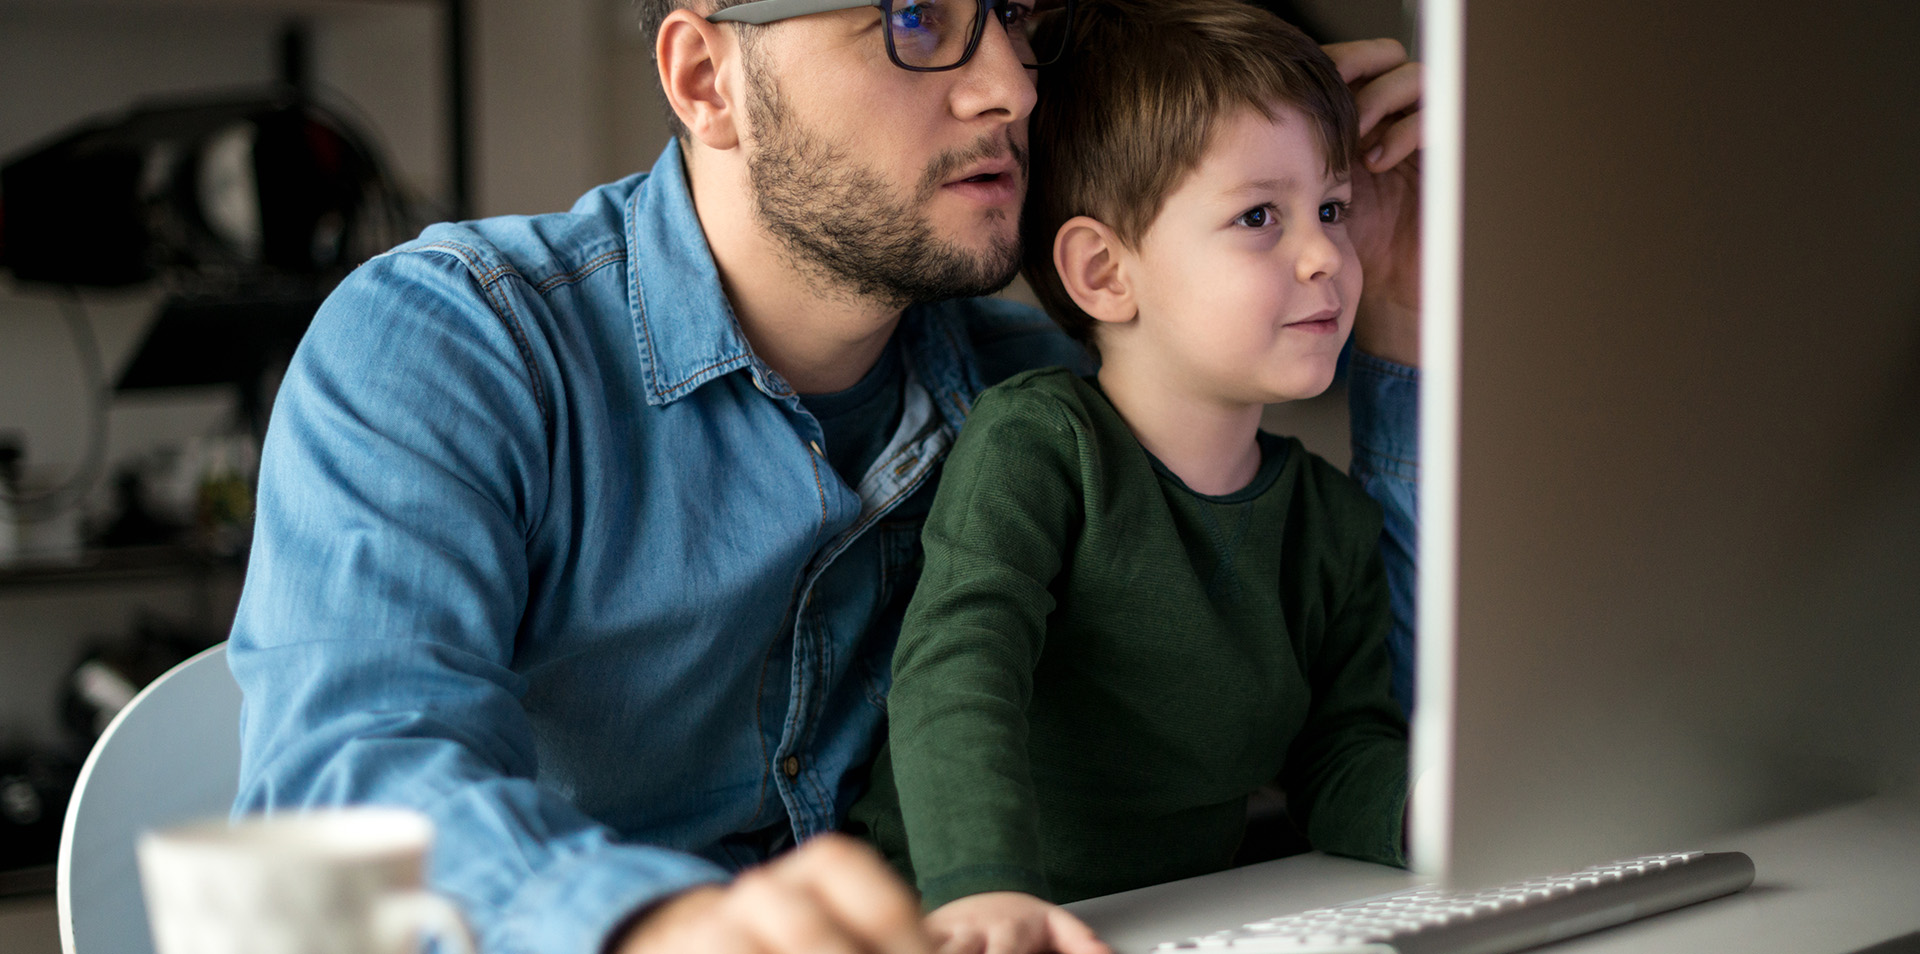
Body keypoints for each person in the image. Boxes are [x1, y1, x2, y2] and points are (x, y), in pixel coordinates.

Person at [223, 0, 1424, 950]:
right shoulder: (460, 346)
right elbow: (336, 814)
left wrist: (1404, 319)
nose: (1009, 84)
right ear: (708, 80)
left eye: (1013, 13)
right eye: (912, 15)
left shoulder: (1054, 396)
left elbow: (1386, 724)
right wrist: (657, 925)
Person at [846, 2, 1411, 949]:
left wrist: (1436, 807)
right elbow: (959, 667)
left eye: (1334, 209)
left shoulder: (1329, 522)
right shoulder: (1038, 446)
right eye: (1260, 216)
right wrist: (983, 893)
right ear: (1104, 271)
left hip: (1182, 928)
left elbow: (1340, 756)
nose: (1327, 257)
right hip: (958, 925)